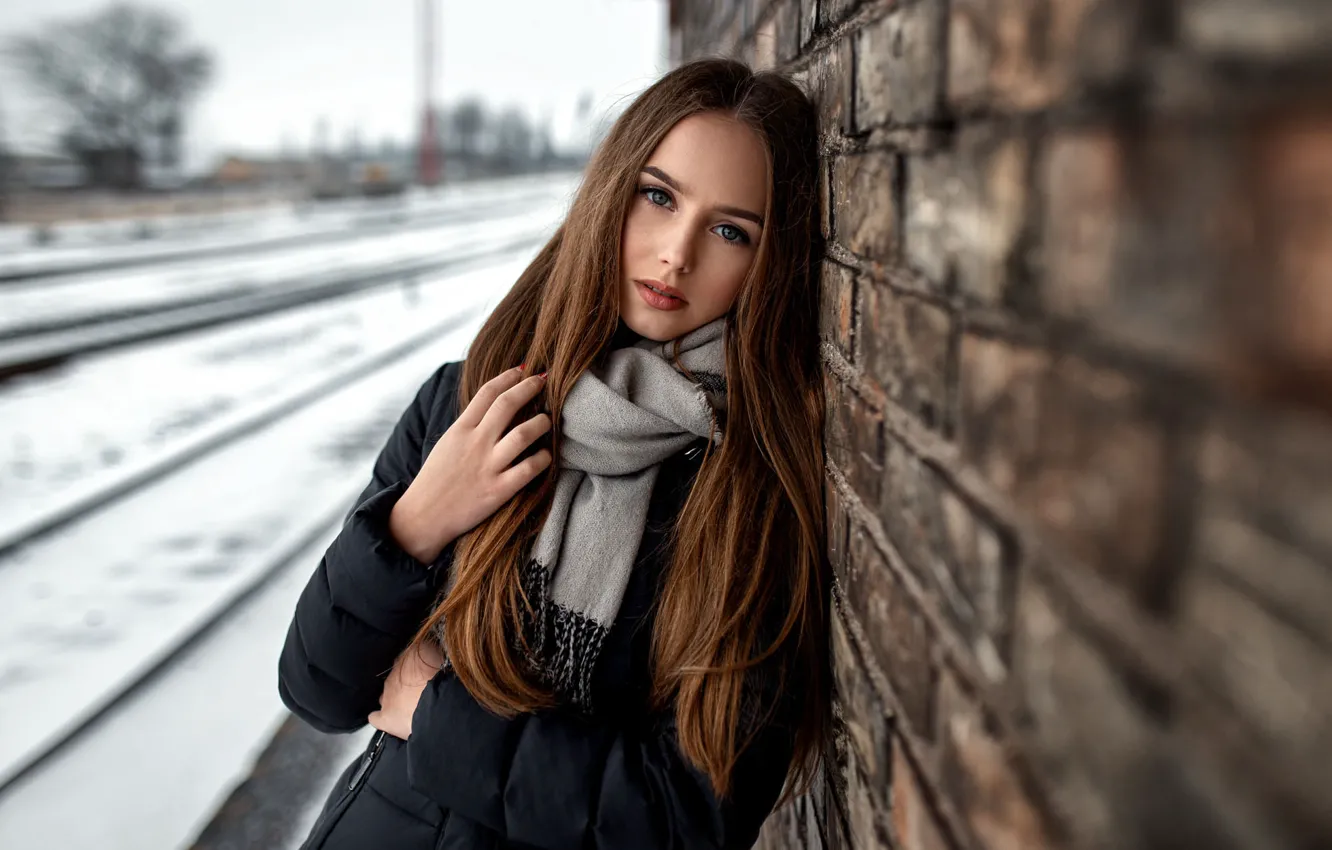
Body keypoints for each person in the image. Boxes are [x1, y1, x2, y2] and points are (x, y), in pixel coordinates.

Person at [278, 57, 831, 850]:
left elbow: (696, 817)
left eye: (729, 230)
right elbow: (319, 689)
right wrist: (412, 527)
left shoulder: (749, 487)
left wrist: (438, 721)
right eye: (659, 196)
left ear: (766, 264)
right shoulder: (470, 403)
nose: (677, 254)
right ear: (612, 192)